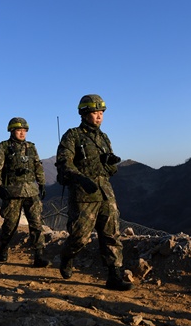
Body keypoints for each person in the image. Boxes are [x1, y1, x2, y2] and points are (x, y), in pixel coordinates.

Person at [55, 94, 133, 291]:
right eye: (95, 113)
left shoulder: (103, 138)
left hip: (105, 192)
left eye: (101, 113)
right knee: (80, 237)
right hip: (83, 194)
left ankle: (114, 275)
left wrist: (110, 164)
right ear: (84, 114)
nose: (99, 117)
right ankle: (67, 257)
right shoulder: (72, 136)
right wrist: (81, 178)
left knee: (111, 234)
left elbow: (110, 171)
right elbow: (64, 163)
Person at [0, 117, 50, 267]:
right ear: (11, 131)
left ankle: (39, 255)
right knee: (10, 224)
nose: (22, 133)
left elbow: (37, 165)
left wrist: (42, 183)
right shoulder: (3, 147)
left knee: (36, 224)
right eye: (19, 130)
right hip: (12, 193)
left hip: (31, 191)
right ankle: (4, 247)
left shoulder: (31, 147)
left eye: (24, 131)